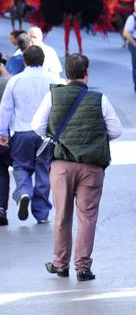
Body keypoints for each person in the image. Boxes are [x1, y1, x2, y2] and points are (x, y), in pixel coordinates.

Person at [37, 53, 123, 281]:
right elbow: (116, 130)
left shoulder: (53, 95)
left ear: (66, 74)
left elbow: (37, 125)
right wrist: (95, 139)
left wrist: (56, 137)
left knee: (62, 216)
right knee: (87, 217)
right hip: (91, 167)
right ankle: (83, 268)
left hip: (62, 165)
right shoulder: (99, 99)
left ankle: (60, 264)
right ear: (87, 73)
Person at [0, 44, 61, 225]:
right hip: (46, 134)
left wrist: (2, 132)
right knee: (44, 170)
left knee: (20, 167)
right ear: (43, 60)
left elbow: (6, 109)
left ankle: (24, 191)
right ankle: (41, 212)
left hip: (21, 132)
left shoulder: (15, 81)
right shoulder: (53, 80)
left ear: (24, 61)